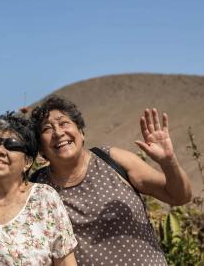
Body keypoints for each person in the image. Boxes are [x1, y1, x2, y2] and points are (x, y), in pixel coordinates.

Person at [30, 95, 192, 265]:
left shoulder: (112, 159)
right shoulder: (38, 187)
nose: (58, 132)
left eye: (64, 123)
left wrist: (168, 162)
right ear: (41, 148)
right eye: (47, 129)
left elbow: (179, 197)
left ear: (81, 132)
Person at [0, 112, 78, 266]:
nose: (0, 150)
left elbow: (65, 263)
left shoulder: (44, 198)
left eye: (12, 145)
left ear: (27, 162)